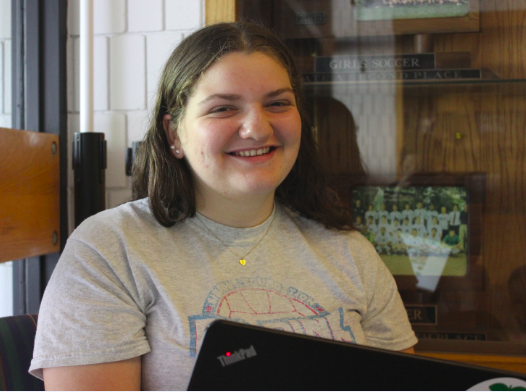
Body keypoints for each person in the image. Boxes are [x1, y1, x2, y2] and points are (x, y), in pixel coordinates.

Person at [29, 22, 416, 390]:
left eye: (278, 103)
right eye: (223, 108)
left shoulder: (350, 252)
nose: (258, 128)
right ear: (172, 134)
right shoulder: (110, 249)